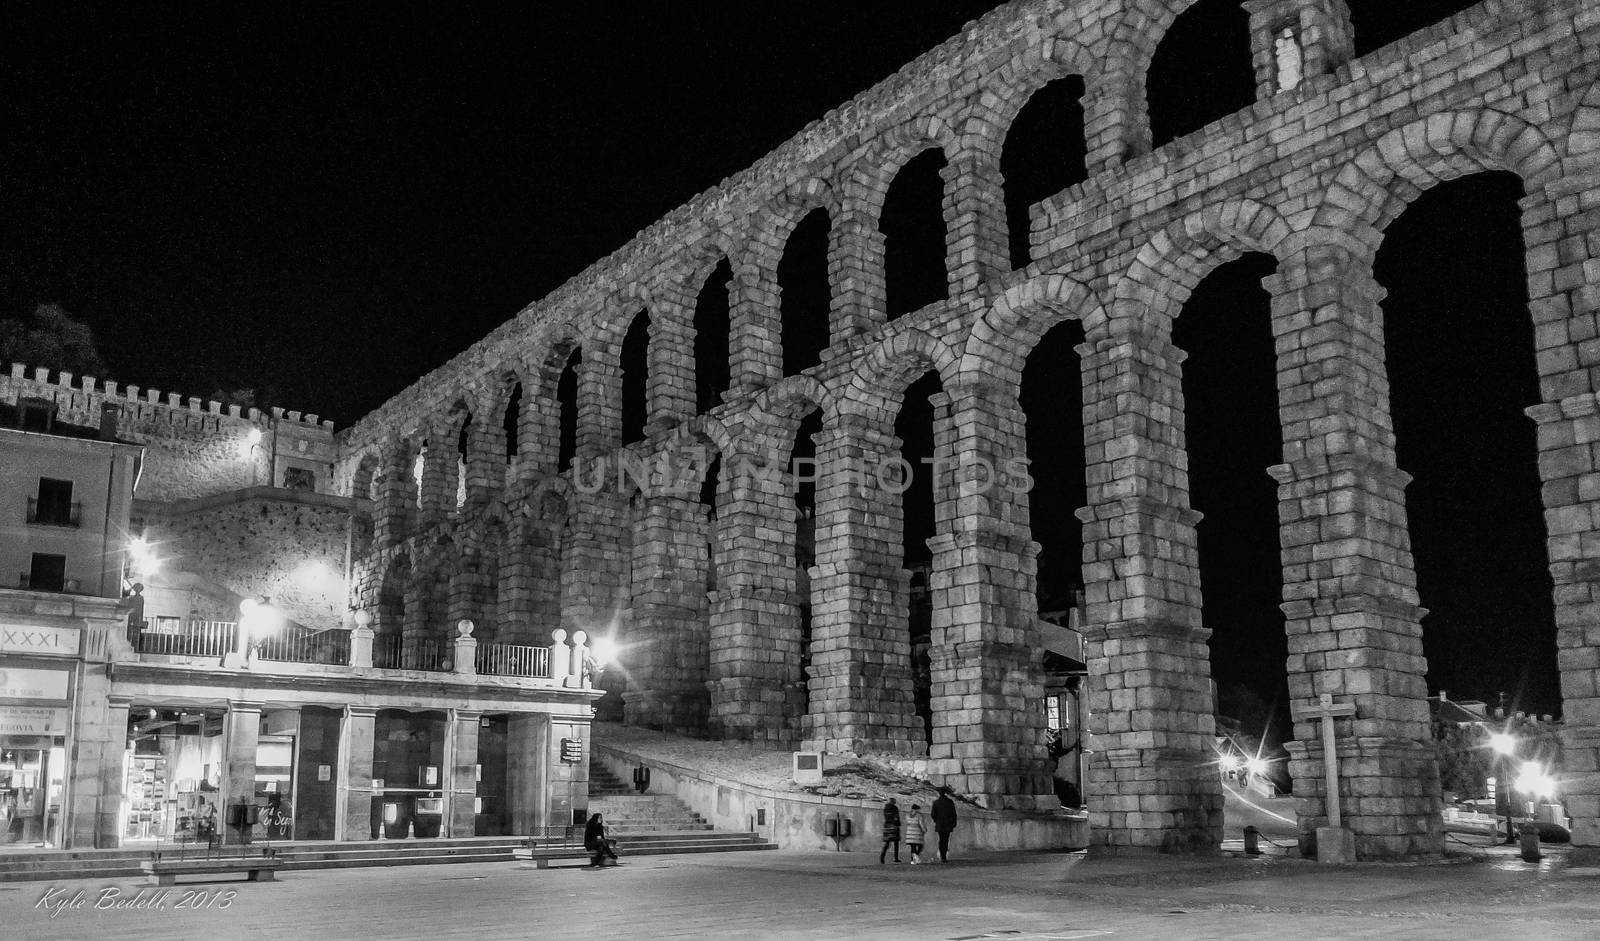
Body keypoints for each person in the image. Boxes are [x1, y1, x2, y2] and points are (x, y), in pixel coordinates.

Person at [931, 787, 958, 863]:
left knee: (941, 839)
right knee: (946, 840)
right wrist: (954, 823)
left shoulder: (936, 803)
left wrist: (936, 820)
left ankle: (942, 855)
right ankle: (944, 856)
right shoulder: (950, 802)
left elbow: (933, 814)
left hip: (939, 824)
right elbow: (954, 814)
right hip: (948, 824)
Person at [879, 798, 901, 864]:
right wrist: (898, 823)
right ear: (894, 802)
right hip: (894, 827)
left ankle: (882, 857)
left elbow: (886, 817)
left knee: (887, 843)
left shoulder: (886, 808)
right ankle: (896, 858)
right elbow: (896, 817)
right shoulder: (895, 808)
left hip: (887, 826)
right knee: (896, 843)